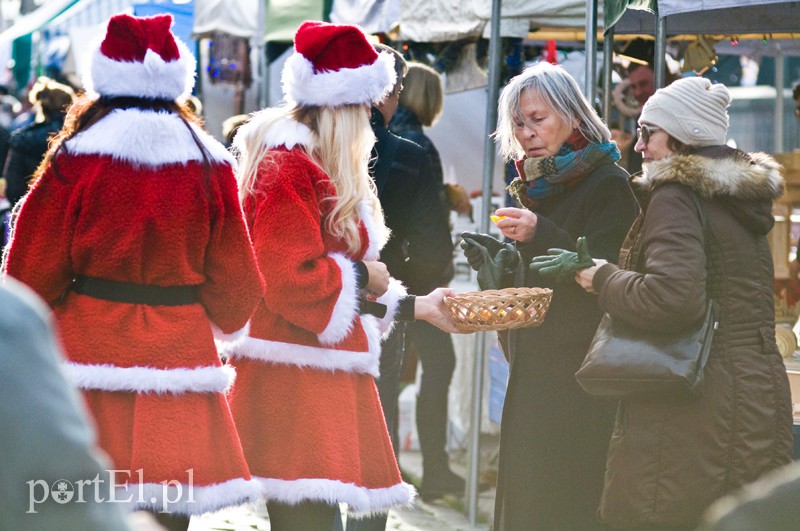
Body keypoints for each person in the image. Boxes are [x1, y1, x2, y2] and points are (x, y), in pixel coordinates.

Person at [2, 14, 266, 531]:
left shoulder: (75, 155)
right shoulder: (209, 160)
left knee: (73, 503)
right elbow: (239, 288)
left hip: (86, 357)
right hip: (178, 362)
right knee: (168, 511)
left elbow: (28, 274)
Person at [226, 21, 458, 531]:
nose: (371, 121)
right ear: (342, 107)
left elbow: (335, 284)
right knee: (310, 519)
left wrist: (415, 305)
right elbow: (290, 280)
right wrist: (367, 278)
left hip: (311, 374)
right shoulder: (287, 166)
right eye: (364, 108)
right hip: (294, 380)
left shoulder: (308, 162)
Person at [574, 76, 793, 529]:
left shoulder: (676, 193)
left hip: (691, 404)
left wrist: (604, 278)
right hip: (752, 394)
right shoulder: (738, 197)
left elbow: (672, 298)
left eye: (648, 132)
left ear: (679, 137)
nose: (638, 146)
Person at [461, 61, 639, 529]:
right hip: (536, 367)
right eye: (519, 123)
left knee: (563, 502)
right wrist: (498, 272)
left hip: (581, 378)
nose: (526, 133)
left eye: (537, 119)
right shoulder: (540, 185)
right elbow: (539, 281)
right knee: (528, 499)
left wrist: (541, 232)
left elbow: (605, 275)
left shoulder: (610, 184)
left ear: (573, 116)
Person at [388, 61, 464, 501]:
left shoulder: (385, 137)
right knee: (436, 367)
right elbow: (429, 228)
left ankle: (394, 464)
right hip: (420, 282)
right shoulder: (419, 145)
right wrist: (440, 281)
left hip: (391, 278)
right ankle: (433, 468)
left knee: (393, 371)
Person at [0, 277, 132, 530]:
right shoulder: (9, 316)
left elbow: (36, 274)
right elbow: (54, 482)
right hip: (178, 346)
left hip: (86, 344)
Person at [4, 76, 74, 208]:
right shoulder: (80, 140)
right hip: (67, 216)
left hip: (29, 214)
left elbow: (13, 189)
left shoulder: (23, 139)